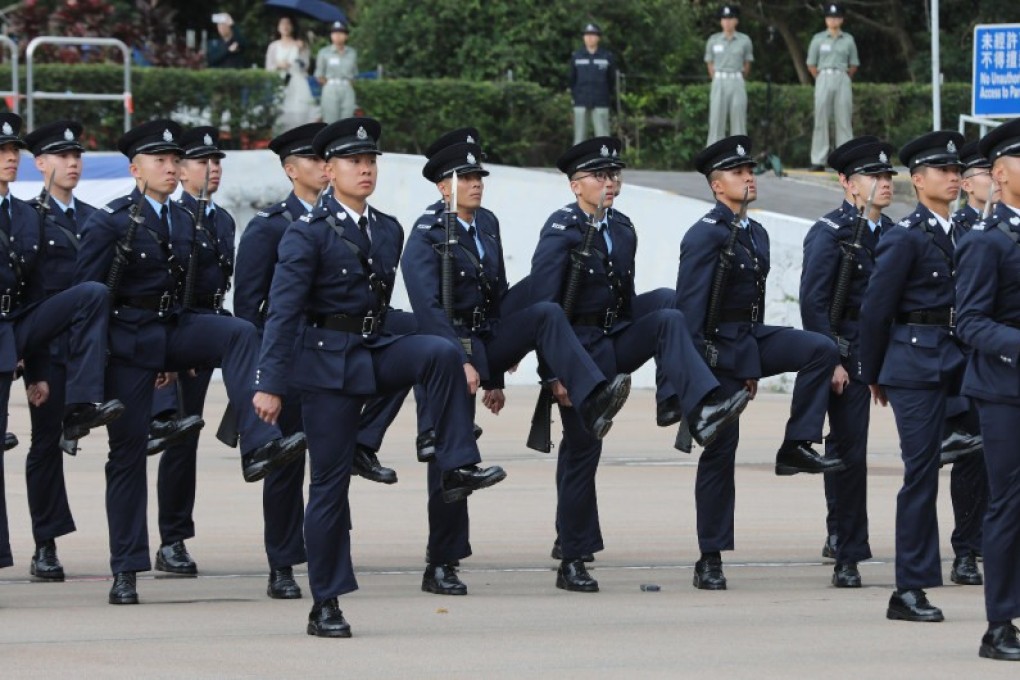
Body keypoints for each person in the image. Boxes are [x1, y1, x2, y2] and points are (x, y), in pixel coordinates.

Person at [252, 117, 508, 637]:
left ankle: (457, 461)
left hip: (370, 349)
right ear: (328, 170)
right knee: (328, 486)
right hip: (324, 367)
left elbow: (384, 306)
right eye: (353, 161)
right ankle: (326, 603)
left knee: (438, 351)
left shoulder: (387, 227)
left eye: (371, 161)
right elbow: (282, 312)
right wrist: (270, 382)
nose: (365, 169)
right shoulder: (307, 233)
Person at [74, 119, 307, 606]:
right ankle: (126, 569)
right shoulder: (109, 221)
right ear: (136, 168)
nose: (169, 167)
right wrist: (90, 379)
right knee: (127, 456)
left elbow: (196, 294)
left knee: (240, 331)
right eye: (159, 160)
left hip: (173, 328)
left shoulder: (190, 220)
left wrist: (186, 352)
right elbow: (88, 303)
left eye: (172, 160)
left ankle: (259, 445)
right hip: (129, 342)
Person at [404, 131, 637, 595]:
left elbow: (498, 296)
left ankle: (589, 397)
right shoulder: (426, 233)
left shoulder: (486, 223)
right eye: (464, 177)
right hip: (446, 346)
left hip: (487, 339)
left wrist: (497, 371)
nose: (475, 184)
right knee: (450, 455)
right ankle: (442, 563)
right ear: (440, 185)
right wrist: (465, 361)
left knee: (544, 307)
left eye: (478, 176)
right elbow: (428, 310)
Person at [529, 136, 750, 592]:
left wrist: (637, 342)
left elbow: (627, 301)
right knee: (582, 449)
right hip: (577, 349)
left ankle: (684, 402)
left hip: (611, 337)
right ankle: (572, 556)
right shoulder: (561, 229)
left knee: (669, 308)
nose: (610, 183)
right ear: (575, 186)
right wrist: (553, 374)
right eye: (599, 176)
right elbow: (543, 310)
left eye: (615, 175)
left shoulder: (624, 227)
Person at [676, 135, 844, 590]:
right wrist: (698, 380)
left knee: (820, 348)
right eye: (737, 172)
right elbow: (687, 316)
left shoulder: (756, 232)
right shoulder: (704, 234)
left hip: (748, 340)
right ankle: (709, 557)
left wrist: (753, 365)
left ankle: (797, 443)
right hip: (714, 352)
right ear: (716, 186)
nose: (749, 177)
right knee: (719, 454)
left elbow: (756, 304)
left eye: (750, 170)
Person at [0, 113, 125, 578]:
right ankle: (46, 544)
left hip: (91, 348)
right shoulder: (31, 217)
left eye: (77, 155)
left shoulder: (98, 220)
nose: (72, 162)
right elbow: (32, 300)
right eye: (62, 155)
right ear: (41, 163)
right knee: (45, 444)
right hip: (46, 349)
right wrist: (33, 369)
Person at [859, 130, 967, 623]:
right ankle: (909, 589)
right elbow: (876, 310)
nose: (955, 177)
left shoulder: (965, 233)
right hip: (914, 363)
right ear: (919, 181)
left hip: (960, 361)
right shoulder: (904, 238)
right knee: (921, 474)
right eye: (944, 171)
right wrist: (874, 371)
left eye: (957, 170)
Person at [800, 136, 897, 587]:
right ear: (846, 183)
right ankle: (847, 547)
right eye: (873, 176)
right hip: (846, 352)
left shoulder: (894, 233)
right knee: (848, 451)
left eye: (887, 176)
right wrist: (831, 358)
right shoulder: (829, 233)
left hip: (891, 352)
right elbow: (814, 304)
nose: (884, 183)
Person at [143, 126, 236, 577]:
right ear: (180, 171)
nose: (212, 169)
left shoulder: (223, 220)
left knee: (189, 436)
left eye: (216, 161)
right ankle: (172, 539)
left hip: (210, 329)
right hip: (177, 331)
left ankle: (175, 534)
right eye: (202, 162)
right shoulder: (172, 217)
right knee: (177, 440)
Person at [955, 116, 1020, 661]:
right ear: (999, 173)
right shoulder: (986, 241)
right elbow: (970, 322)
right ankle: (999, 624)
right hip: (1004, 391)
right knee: (1009, 504)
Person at [805, 3, 859, 171]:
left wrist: (842, 76)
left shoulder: (848, 39)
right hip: (824, 76)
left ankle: (845, 158)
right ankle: (818, 159)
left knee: (844, 119)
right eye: (830, 17)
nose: (833, 20)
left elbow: (854, 64)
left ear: (841, 19)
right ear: (826, 19)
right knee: (821, 119)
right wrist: (822, 77)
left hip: (842, 76)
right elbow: (811, 64)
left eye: (836, 17)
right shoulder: (818, 39)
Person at [704, 4, 753, 145]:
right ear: (721, 21)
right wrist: (717, 78)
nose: (727, 22)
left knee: (738, 118)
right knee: (716, 119)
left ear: (736, 21)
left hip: (736, 79)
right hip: (719, 80)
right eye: (724, 19)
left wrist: (738, 78)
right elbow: (710, 64)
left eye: (730, 18)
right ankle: (713, 156)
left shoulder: (744, 40)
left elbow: (747, 64)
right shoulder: (713, 40)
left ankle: (739, 156)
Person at [266, 15, 318, 135]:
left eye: (288, 24)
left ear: (292, 27)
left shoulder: (300, 44)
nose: (285, 26)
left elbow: (306, 66)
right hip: (280, 83)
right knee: (280, 113)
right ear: (278, 27)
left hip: (297, 82)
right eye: (282, 24)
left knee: (300, 112)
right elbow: (268, 68)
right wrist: (278, 65)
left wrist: (301, 50)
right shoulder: (273, 46)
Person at [569, 22, 615, 145]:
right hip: (580, 100)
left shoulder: (607, 56)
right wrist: (575, 96)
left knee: (603, 135)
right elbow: (572, 79)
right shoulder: (576, 56)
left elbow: (611, 80)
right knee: (579, 136)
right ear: (583, 38)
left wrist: (606, 95)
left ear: (598, 38)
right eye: (587, 35)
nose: (589, 38)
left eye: (593, 35)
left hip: (601, 100)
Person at [315, 20, 358, 124]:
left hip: (347, 88)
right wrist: (330, 85)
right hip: (330, 88)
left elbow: (354, 74)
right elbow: (319, 75)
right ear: (331, 35)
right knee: (330, 122)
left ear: (346, 36)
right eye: (334, 32)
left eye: (341, 32)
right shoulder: (324, 52)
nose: (338, 35)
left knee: (347, 122)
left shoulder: (352, 53)